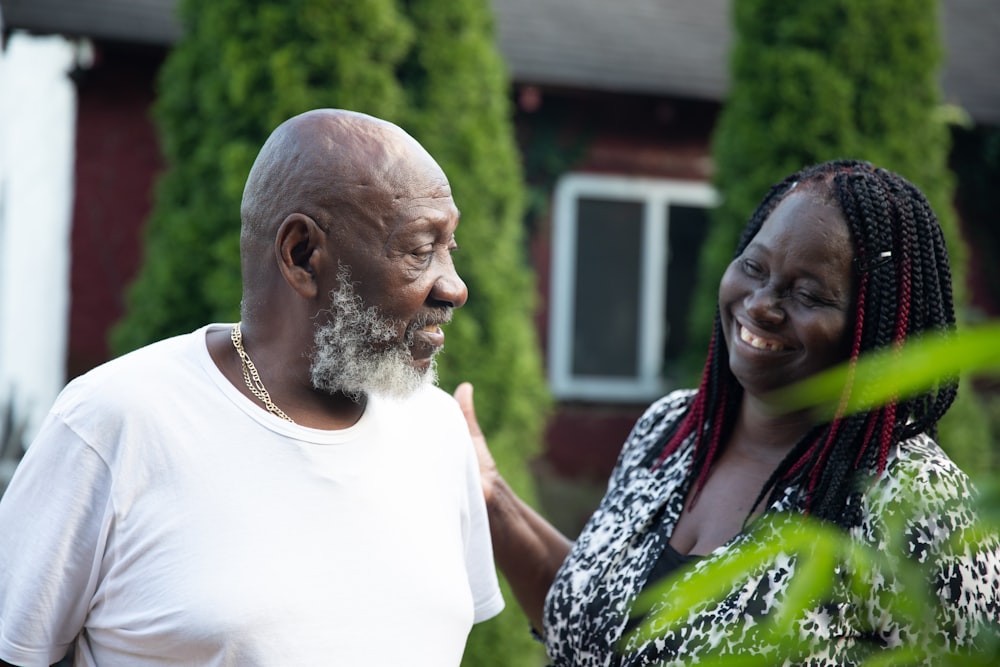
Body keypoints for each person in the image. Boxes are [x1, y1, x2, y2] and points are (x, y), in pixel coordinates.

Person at [0, 109, 504, 666]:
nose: (454, 288)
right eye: (418, 250)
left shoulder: (437, 429)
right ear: (302, 256)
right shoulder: (115, 421)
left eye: (447, 247)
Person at [455, 159, 1000, 666]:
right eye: (754, 267)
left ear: (877, 330)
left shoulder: (920, 505)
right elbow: (588, 622)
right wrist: (490, 496)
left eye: (808, 294)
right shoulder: (672, 430)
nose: (761, 303)